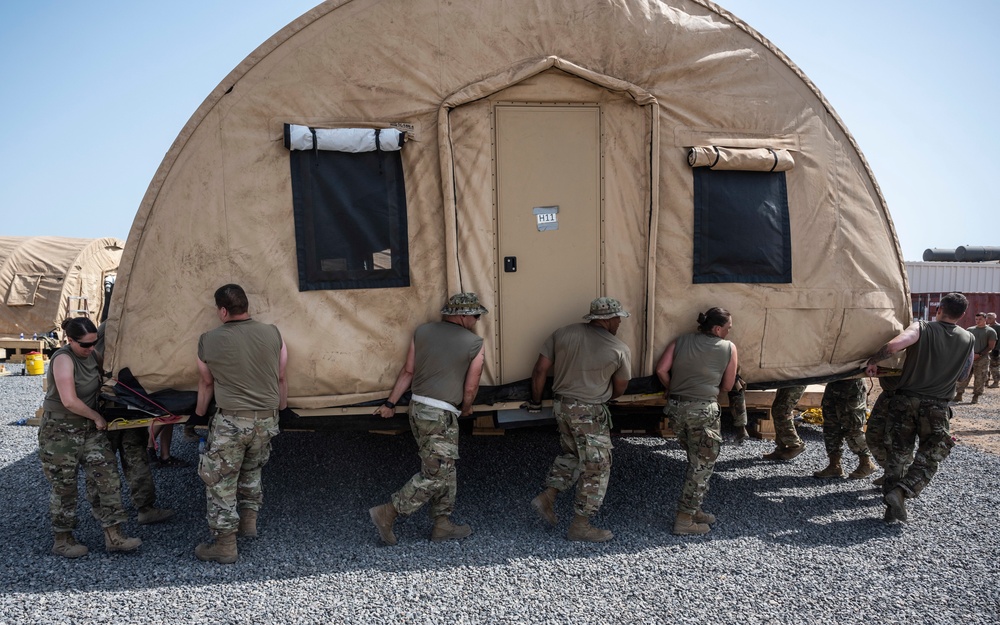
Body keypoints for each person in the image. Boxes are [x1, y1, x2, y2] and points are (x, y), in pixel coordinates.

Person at [369, 293, 488, 545]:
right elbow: (471, 387)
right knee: (436, 474)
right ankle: (388, 512)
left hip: (418, 407)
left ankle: (442, 524)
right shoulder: (475, 342)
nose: (477, 320)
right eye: (476, 315)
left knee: (446, 468)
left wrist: (391, 403)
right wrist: (466, 409)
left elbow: (408, 371)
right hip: (440, 414)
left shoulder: (422, 332)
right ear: (462, 316)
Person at [192, 284, 288, 563]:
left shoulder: (207, 339)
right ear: (246, 306)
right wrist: (281, 408)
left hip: (232, 420)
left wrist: (198, 414)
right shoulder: (273, 332)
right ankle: (248, 523)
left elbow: (206, 382)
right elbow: (281, 376)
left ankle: (224, 545)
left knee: (220, 480)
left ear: (222, 310)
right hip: (266, 418)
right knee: (252, 469)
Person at [527, 297, 632, 542]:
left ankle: (548, 497)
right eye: (618, 317)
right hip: (589, 412)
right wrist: (603, 397)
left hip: (562, 406)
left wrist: (535, 401)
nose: (619, 322)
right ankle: (580, 525)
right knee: (597, 466)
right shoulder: (619, 349)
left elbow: (540, 370)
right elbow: (620, 387)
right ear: (607, 319)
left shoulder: (563, 334)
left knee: (572, 455)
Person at [865, 292, 974, 523]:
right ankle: (903, 491)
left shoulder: (922, 327)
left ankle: (891, 508)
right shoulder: (969, 339)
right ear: (962, 315)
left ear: (939, 309)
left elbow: (894, 346)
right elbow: (964, 376)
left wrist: (873, 361)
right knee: (933, 453)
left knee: (898, 453)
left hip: (904, 401)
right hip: (937, 405)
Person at [38, 317, 142, 558]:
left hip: (88, 429)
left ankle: (114, 535)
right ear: (70, 340)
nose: (91, 348)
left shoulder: (93, 355)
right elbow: (69, 401)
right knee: (64, 486)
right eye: (85, 344)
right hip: (60, 432)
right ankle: (62, 539)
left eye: (94, 343)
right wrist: (96, 416)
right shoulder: (63, 359)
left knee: (108, 478)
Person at [655, 307, 738, 535]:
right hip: (703, 411)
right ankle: (684, 521)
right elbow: (728, 386)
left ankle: (695, 508)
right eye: (728, 328)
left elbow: (661, 369)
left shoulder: (680, 341)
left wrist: (673, 388)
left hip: (676, 409)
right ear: (718, 328)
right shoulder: (728, 348)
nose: (730, 332)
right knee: (701, 466)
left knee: (695, 459)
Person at [85, 321, 175, 526]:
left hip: (129, 401)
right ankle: (104, 508)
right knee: (102, 461)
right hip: (111, 405)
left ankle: (144, 507)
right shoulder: (114, 325)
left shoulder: (127, 321)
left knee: (136, 456)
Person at [812, 378, 876, 480]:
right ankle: (834, 466)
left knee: (853, 427)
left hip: (852, 384)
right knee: (830, 426)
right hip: (834, 382)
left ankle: (866, 463)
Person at [864, 374, 900, 486]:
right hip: (887, 394)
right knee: (873, 435)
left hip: (905, 396)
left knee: (896, 441)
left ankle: (897, 477)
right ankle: (891, 473)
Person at [953, 312, 995, 404]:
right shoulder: (969, 330)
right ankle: (959, 394)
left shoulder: (990, 331)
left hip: (982, 359)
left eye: (980, 319)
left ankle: (975, 396)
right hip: (969, 357)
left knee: (980, 378)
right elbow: (965, 342)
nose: (978, 321)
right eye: (976, 319)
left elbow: (991, 346)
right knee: (964, 376)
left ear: (985, 319)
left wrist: (979, 354)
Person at [761, 385, 807, 461]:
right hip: (788, 378)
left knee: (782, 411)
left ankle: (795, 444)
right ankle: (780, 449)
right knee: (777, 408)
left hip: (798, 378)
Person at [986, 312, 1000, 387]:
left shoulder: (998, 327)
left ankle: (996, 382)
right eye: (987, 318)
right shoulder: (986, 327)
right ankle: (986, 381)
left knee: (994, 367)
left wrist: (997, 349)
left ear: (995, 318)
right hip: (986, 350)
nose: (988, 319)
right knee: (986, 366)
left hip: (995, 350)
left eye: (990, 318)